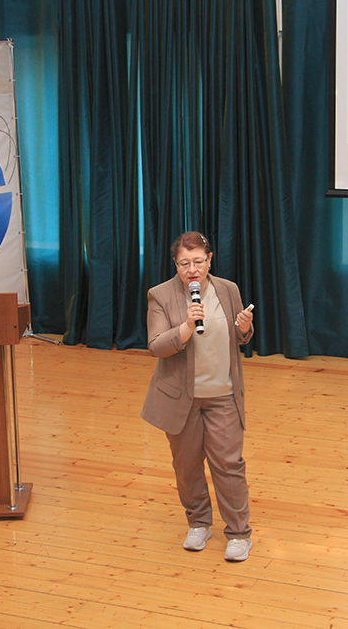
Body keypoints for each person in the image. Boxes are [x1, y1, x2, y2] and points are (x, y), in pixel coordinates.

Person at [141, 231, 255, 562]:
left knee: (229, 465)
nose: (192, 270)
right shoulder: (160, 295)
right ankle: (199, 523)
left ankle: (238, 533)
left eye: (198, 261)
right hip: (182, 398)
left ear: (210, 259)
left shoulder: (228, 289)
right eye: (184, 263)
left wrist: (244, 328)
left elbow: (240, 337)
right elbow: (156, 346)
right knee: (187, 465)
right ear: (175, 264)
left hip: (223, 394)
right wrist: (187, 327)